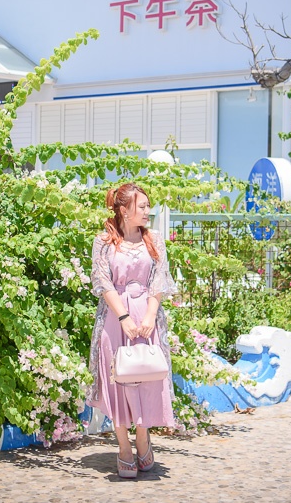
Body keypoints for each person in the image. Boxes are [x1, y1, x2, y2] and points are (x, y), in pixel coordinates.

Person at [86, 182, 177, 479]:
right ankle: (123, 445)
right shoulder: (103, 241)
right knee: (118, 380)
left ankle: (142, 436)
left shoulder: (155, 240)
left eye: (148, 206)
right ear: (124, 210)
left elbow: (160, 281)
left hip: (147, 317)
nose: (148, 211)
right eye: (142, 207)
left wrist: (150, 315)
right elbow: (102, 282)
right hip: (115, 317)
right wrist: (123, 315)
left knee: (146, 378)